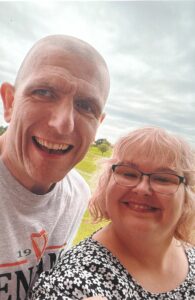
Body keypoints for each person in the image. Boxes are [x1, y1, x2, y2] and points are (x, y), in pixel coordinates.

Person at [0, 34, 110, 300]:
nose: (62, 124)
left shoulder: (76, 194)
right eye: (44, 92)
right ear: (9, 102)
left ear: (99, 124)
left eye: (85, 106)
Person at [30, 127, 195, 299]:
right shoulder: (73, 282)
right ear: (107, 183)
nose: (142, 188)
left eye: (163, 178)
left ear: (186, 195)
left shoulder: (190, 255)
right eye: (129, 174)